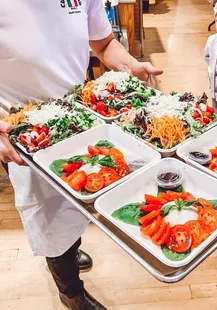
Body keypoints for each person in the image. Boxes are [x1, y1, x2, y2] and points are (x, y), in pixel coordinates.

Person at [0, 1, 163, 309]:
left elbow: (103, 43)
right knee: (49, 217)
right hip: (27, 133)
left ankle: (71, 249)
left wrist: (130, 65)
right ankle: (71, 292)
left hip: (82, 121)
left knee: (83, 202)